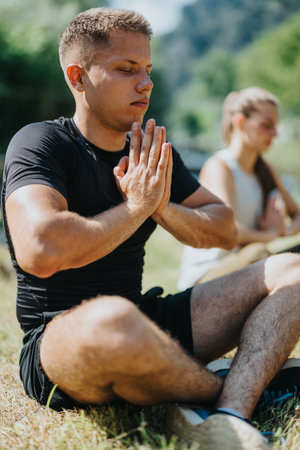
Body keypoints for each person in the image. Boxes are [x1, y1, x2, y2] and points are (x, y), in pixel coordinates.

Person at [1, 8, 300, 449]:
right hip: (60, 338)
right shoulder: (40, 142)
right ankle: (220, 383)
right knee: (114, 318)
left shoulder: (152, 152)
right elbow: (40, 250)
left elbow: (224, 230)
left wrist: (162, 209)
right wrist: (136, 208)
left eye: (148, 69)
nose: (146, 83)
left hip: (144, 317)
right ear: (77, 77)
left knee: (291, 269)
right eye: (126, 69)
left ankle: (233, 410)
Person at [178, 87, 300, 290]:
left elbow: (297, 215)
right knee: (259, 253)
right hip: (207, 276)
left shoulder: (265, 169)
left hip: (247, 265)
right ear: (240, 122)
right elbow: (229, 231)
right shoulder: (220, 166)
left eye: (275, 126)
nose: (275, 133)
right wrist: (269, 235)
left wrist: (282, 231)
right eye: (266, 125)